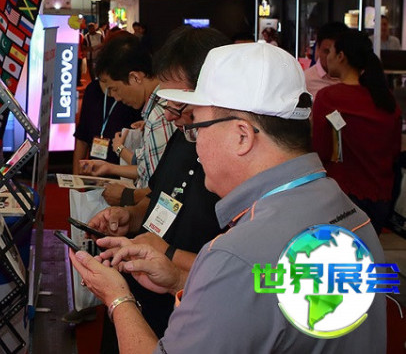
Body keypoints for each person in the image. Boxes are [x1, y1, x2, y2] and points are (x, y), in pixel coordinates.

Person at [71, 42, 386, 353]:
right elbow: (276, 302)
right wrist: (179, 279)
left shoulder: (236, 254)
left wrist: (117, 298)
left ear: (241, 136)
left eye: (198, 127)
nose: (195, 144)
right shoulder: (351, 215)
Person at [87, 27, 229, 345]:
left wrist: (167, 255)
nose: (169, 115)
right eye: (168, 102)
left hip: (191, 313)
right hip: (150, 289)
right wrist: (131, 216)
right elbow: (159, 195)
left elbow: (238, 272)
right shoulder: (182, 134)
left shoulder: (232, 164)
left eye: (180, 104)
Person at [312, 29, 402, 233]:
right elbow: (394, 150)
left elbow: (321, 150)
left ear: (341, 56)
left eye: (330, 52)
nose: (327, 58)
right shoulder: (385, 99)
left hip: (341, 195)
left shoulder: (329, 97)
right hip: (381, 197)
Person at [79, 34, 174, 204]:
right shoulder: (155, 110)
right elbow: (146, 170)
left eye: (115, 89)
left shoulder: (160, 115)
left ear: (135, 77)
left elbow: (162, 190)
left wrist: (126, 197)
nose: (116, 97)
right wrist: (109, 168)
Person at [73, 78, 142, 173]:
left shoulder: (133, 96)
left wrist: (119, 149)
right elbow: (82, 135)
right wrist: (76, 176)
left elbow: (142, 168)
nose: (114, 95)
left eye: (114, 89)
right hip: (95, 169)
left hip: (124, 173)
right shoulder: (93, 89)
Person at [304, 21, 349, 99]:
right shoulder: (305, 80)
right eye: (327, 51)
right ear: (318, 48)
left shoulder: (355, 80)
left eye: (336, 53)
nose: (330, 57)